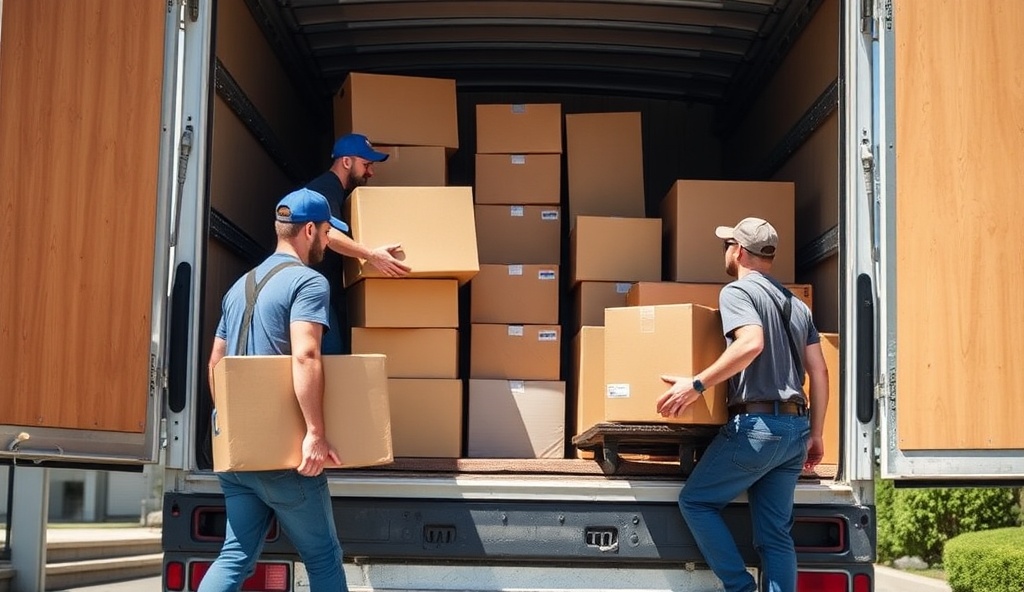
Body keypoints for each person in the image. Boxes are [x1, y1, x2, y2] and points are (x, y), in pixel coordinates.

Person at [655, 217, 829, 592]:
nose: (725, 252)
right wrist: (816, 434)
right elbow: (820, 371)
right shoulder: (797, 306)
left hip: (756, 430)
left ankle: (740, 587)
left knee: (696, 502)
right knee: (775, 536)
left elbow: (751, 343)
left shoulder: (737, 292)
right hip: (795, 432)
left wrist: (696, 385)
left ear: (739, 251)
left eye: (727, 245)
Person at [202, 188, 349, 592]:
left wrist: (232, 426)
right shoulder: (308, 282)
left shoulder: (239, 287)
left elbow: (215, 363)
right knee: (323, 557)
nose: (326, 241)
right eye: (326, 232)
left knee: (234, 556)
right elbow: (305, 354)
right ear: (309, 231)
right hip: (282, 457)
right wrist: (315, 434)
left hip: (237, 456)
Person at [303, 132, 411, 353]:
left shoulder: (340, 194)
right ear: (346, 162)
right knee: (332, 358)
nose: (371, 172)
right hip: (311, 291)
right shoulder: (326, 188)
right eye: (366, 165)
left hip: (324, 291)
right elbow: (328, 234)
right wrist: (372, 255)